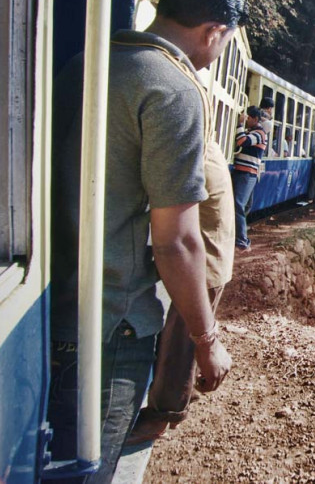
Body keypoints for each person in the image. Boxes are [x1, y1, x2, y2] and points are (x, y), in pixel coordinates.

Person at [49, 0, 245, 482]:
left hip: (52, 311)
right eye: (221, 44)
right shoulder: (173, 91)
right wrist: (207, 343)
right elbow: (176, 242)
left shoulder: (81, 65)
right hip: (114, 329)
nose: (213, 59)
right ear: (214, 31)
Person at [127, 135, 235, 444]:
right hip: (210, 260)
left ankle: (164, 414)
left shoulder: (193, 152)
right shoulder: (207, 146)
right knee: (182, 339)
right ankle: (174, 395)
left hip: (204, 265)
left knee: (182, 343)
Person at [232, 105, 266, 250]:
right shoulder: (252, 131)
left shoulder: (259, 133)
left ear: (255, 119)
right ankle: (237, 234)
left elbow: (242, 142)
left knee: (238, 205)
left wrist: (239, 124)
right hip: (246, 173)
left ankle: (241, 240)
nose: (246, 121)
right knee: (244, 206)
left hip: (247, 173)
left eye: (248, 118)